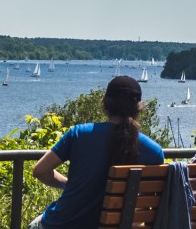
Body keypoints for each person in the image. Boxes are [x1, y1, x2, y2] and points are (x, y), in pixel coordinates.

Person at [29, 75, 165, 229]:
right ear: (138, 108)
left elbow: (40, 171)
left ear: (105, 104)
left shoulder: (79, 134)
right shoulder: (154, 152)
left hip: (61, 224)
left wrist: (69, 185)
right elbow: (148, 207)